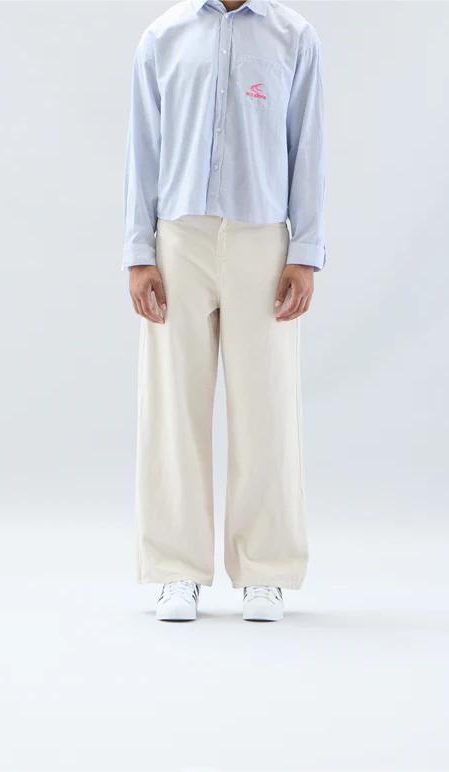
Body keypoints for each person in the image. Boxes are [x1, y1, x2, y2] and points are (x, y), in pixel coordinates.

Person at [123, 0, 325, 621]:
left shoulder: (293, 36)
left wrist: (305, 251)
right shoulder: (163, 36)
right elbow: (143, 147)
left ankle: (264, 571)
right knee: (173, 404)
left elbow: (308, 146)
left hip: (262, 239)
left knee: (266, 405)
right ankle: (176, 570)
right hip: (178, 237)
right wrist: (138, 252)